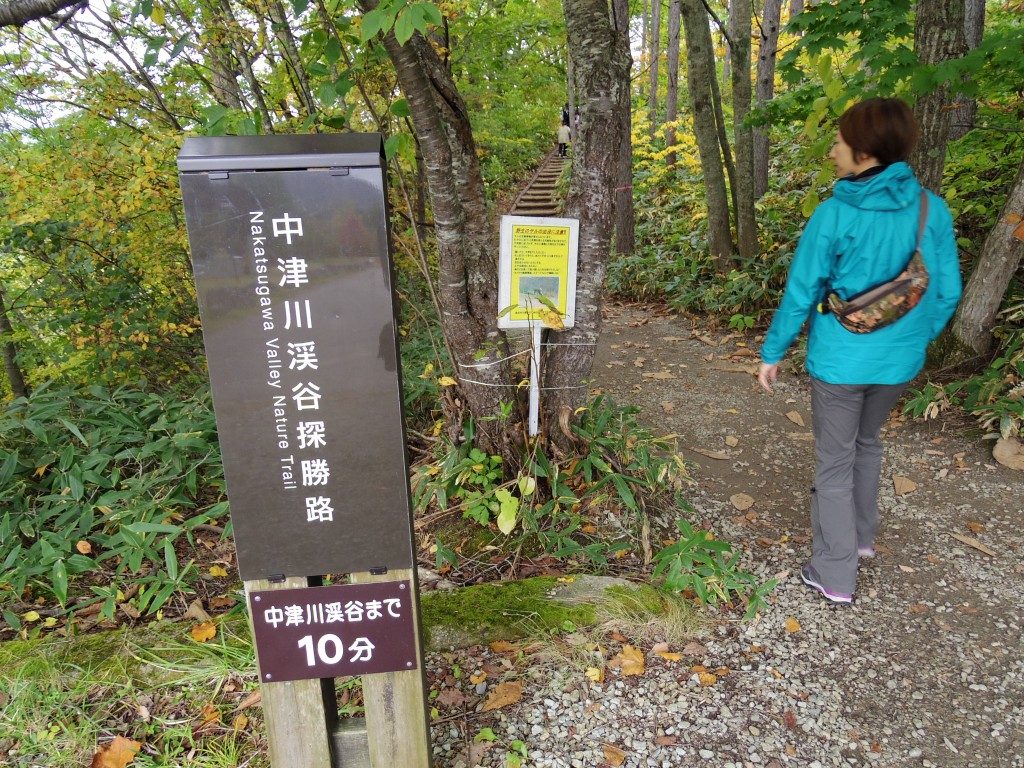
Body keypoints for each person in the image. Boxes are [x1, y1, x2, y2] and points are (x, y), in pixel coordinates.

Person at [757, 97, 962, 606]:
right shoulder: (928, 208)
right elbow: (949, 290)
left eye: (840, 142)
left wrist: (772, 352)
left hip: (840, 361)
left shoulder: (834, 214)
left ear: (864, 152)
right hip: (898, 362)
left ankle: (834, 574)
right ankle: (861, 539)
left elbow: (802, 289)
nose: (833, 151)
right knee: (867, 443)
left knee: (833, 461)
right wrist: (914, 340)